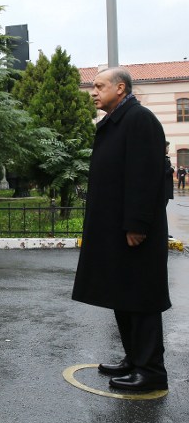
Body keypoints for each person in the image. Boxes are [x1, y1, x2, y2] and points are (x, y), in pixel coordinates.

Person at [72, 67, 170, 392]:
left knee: (141, 298)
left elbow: (145, 176)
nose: (94, 92)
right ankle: (134, 359)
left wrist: (138, 224)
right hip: (116, 229)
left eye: (99, 86)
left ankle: (151, 369)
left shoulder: (139, 120)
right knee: (123, 295)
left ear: (121, 87)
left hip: (134, 230)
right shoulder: (117, 121)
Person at [164, 141, 174, 207]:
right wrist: (171, 169)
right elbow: (162, 174)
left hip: (166, 189)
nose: (168, 149)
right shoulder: (162, 159)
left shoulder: (166, 158)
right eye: (167, 147)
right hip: (164, 189)